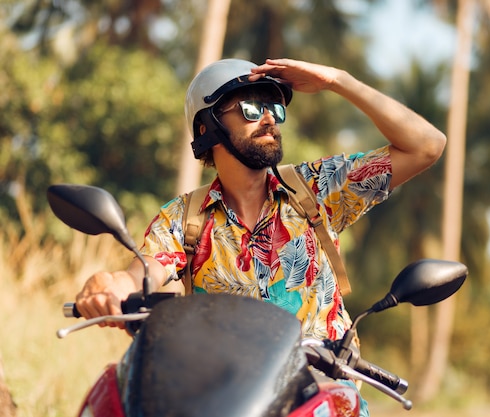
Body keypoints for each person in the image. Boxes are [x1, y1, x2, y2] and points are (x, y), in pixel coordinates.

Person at [75, 58, 446, 414]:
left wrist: (337, 80)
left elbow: (426, 145)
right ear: (208, 127)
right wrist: (109, 285)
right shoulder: (183, 219)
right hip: (229, 399)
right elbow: (146, 270)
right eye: (251, 109)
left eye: (274, 108)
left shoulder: (317, 190)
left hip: (319, 396)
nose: (269, 117)